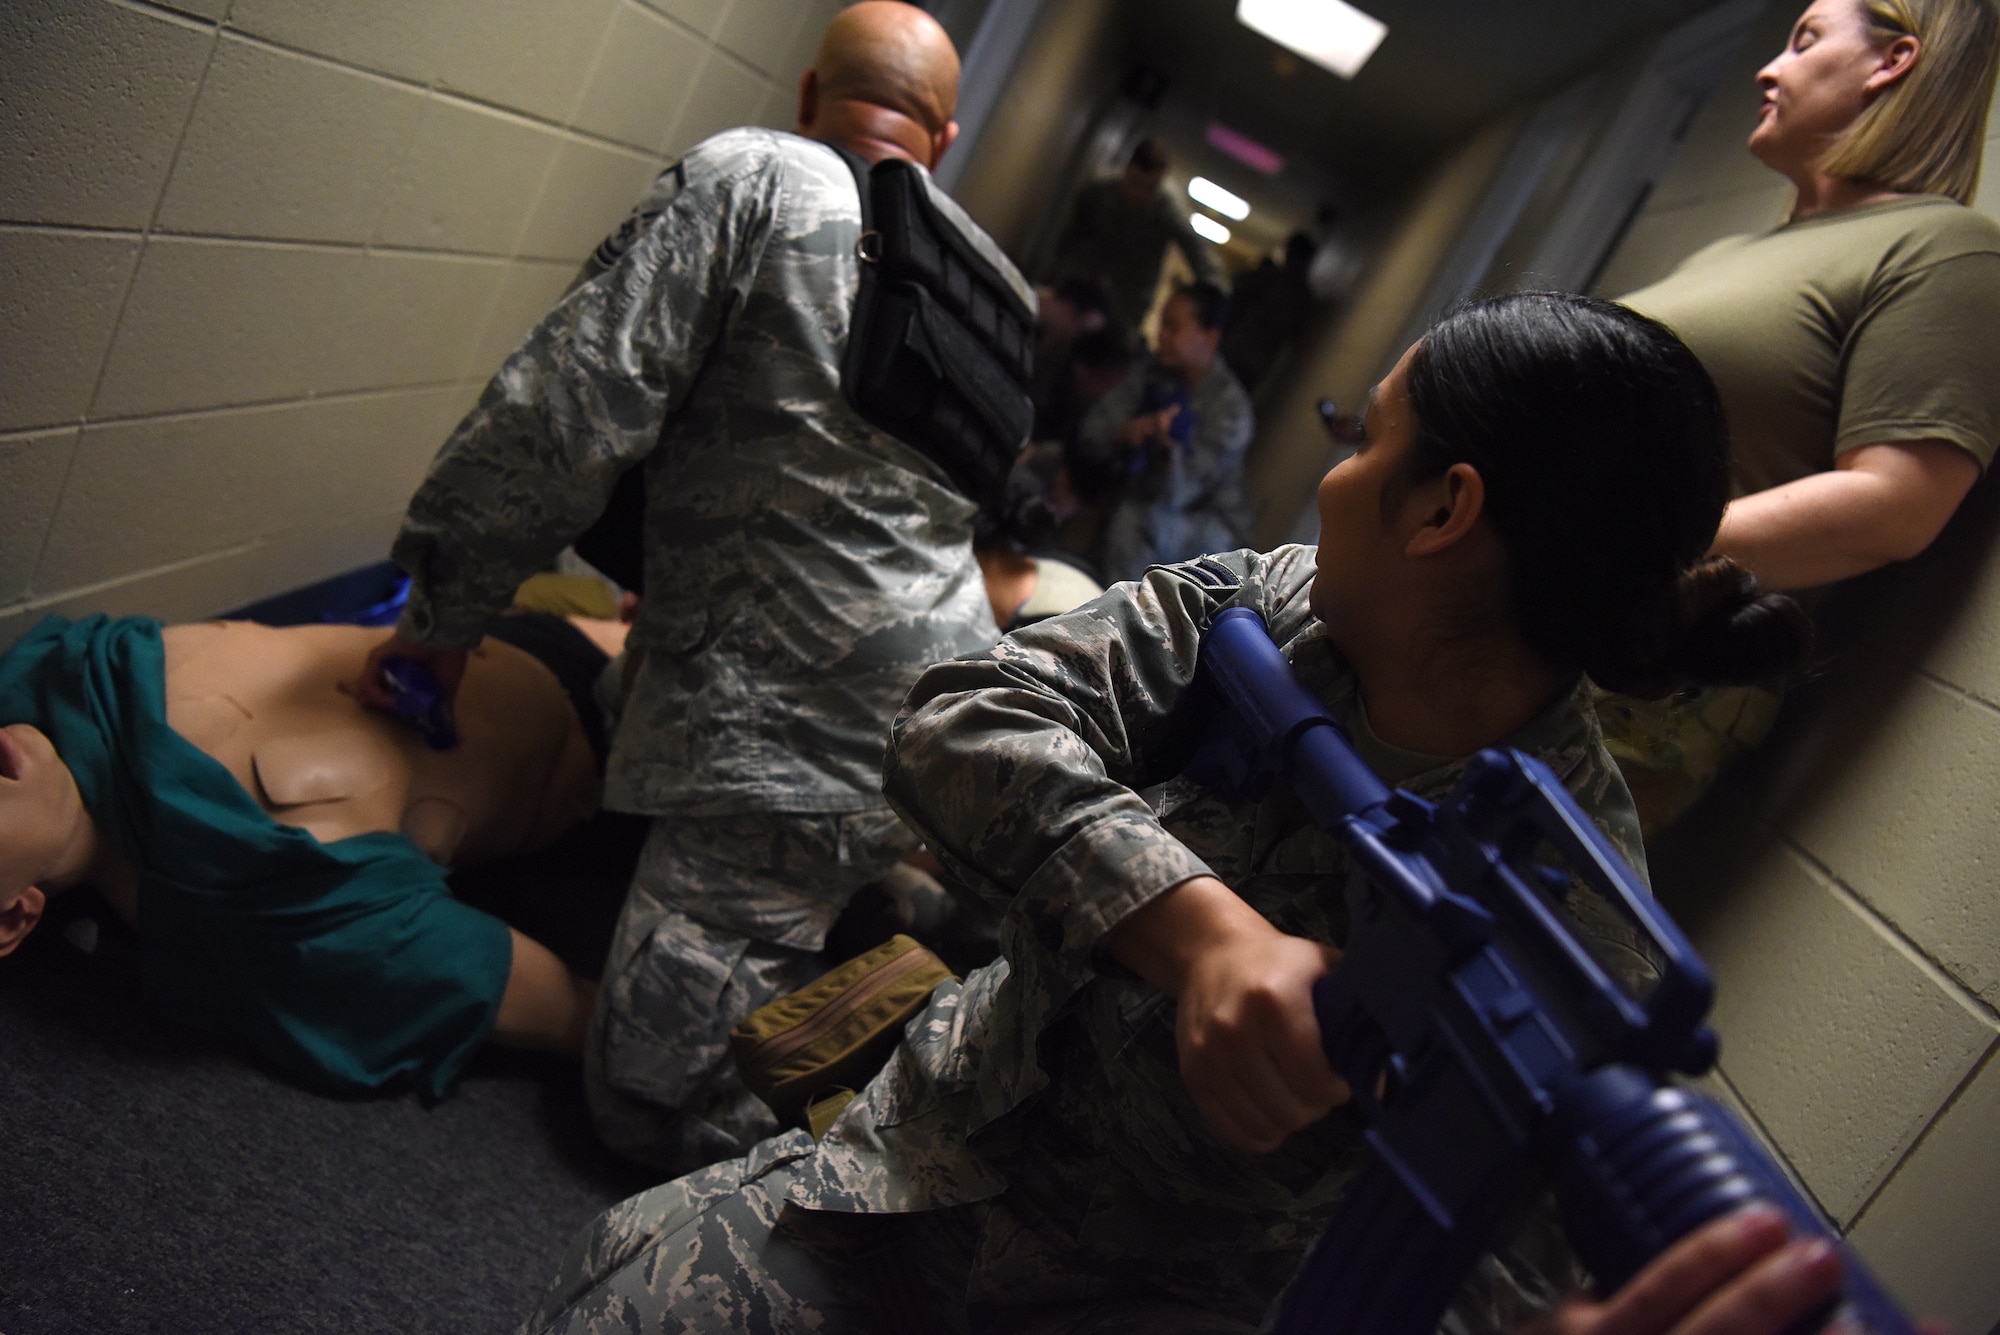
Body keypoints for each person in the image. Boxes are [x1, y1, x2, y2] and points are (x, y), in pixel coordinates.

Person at [519, 293, 1815, 1333]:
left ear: (1443, 508)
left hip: (1161, 1290)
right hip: (934, 1149)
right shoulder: (1266, 605)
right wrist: (1204, 938)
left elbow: (1495, 1260)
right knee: (609, 1295)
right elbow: (960, 719)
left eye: (1365, 440)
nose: (1333, 479)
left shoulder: (1573, 910)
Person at [344, 3, 1027, 1170]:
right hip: (940, 717)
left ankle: (935, 1111)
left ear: (811, 96)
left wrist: (442, 621)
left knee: (644, 1110)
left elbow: (561, 415)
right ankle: (894, 911)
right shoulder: (993, 287)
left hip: (780, 758)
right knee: (656, 776)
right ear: (944, 138)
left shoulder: (754, 176)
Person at [1607, 0, 2000, 835]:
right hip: (1501, 585)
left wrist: (1600, 554)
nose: (1767, 68)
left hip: (1616, 652)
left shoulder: (1946, 249)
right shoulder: (1737, 249)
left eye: (1805, 40)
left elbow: (1893, 505)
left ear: (1891, 63)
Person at [0, 610, 618, 1097]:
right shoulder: (255, 904)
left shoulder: (34, 680)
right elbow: (583, 1015)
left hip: (496, 621)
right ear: (12, 918)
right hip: (614, 739)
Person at [1079, 280, 1256, 583]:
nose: (1161, 336)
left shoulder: (1231, 410)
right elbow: (1093, 432)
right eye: (1162, 325)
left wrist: (1166, 453)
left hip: (1205, 526)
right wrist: (1126, 433)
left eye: (1173, 328)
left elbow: (1180, 491)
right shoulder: (1154, 373)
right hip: (1142, 492)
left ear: (1210, 339)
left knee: (1134, 520)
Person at [1052, 137, 1226, 326]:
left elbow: (1199, 252)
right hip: (1086, 282)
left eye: (1150, 188)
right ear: (1127, 169)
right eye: (1134, 183)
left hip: (1130, 301)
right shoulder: (1098, 190)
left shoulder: (1169, 208)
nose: (1139, 195)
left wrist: (1214, 301)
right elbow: (1069, 236)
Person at [1222, 230, 1319, 395]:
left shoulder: (1269, 278)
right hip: (1254, 361)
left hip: (1236, 350)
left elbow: (1232, 298)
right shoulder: (1303, 297)